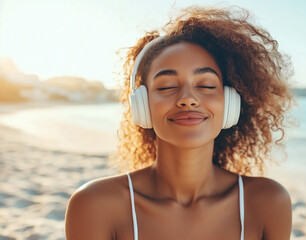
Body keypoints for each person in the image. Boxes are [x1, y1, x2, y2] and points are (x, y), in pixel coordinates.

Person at [65, 6, 293, 240]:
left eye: (205, 85)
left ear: (230, 103)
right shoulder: (95, 205)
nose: (188, 99)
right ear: (142, 106)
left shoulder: (268, 203)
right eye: (166, 86)